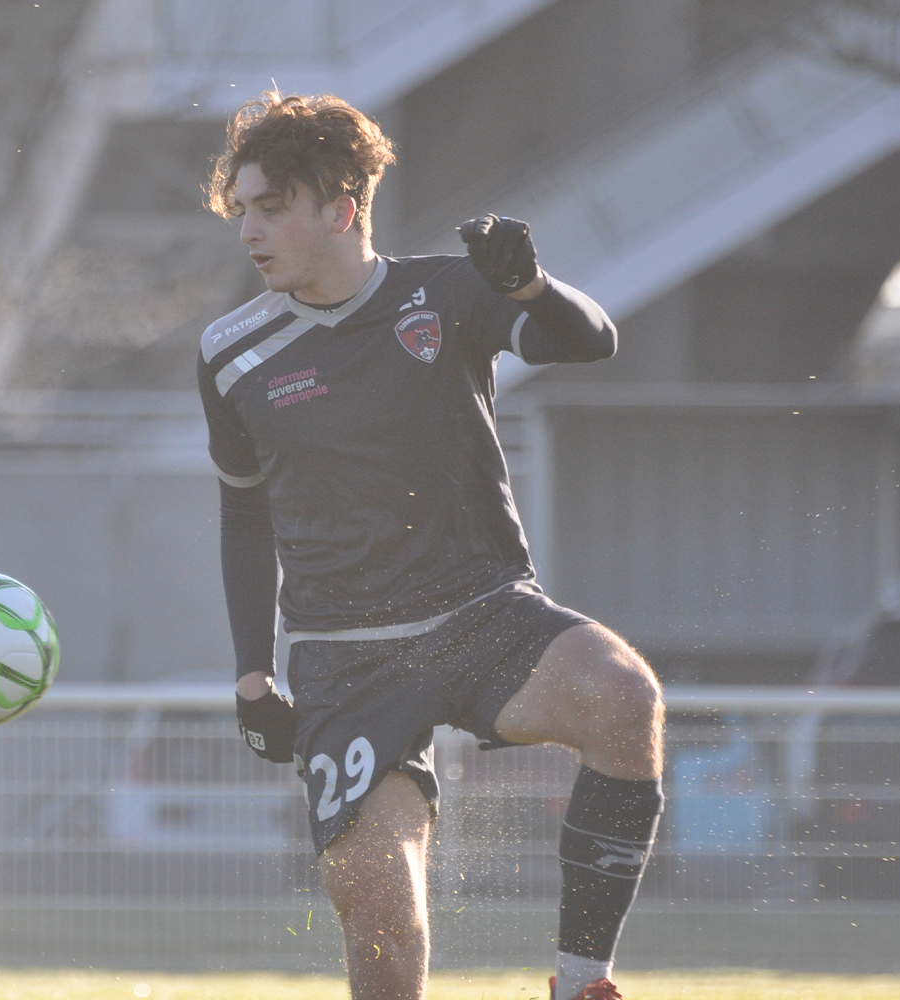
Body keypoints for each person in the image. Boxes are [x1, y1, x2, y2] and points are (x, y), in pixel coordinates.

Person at [196, 91, 664, 1000]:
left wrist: (530, 286)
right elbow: (244, 516)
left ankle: (580, 982)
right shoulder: (230, 352)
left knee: (622, 695)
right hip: (345, 660)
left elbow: (590, 341)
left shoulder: (444, 294)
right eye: (242, 209)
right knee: (382, 930)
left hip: (485, 613)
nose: (250, 231)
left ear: (341, 207)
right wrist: (255, 673)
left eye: (271, 207)